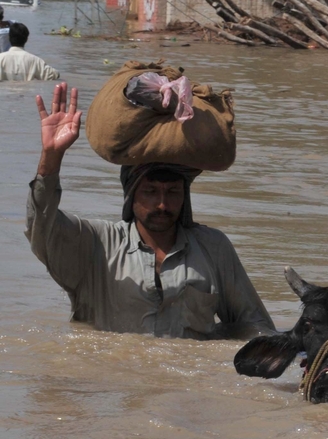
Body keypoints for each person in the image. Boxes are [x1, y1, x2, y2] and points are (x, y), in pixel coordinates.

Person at [25, 82, 276, 340]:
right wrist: (50, 158)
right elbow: (42, 229)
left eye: (172, 192)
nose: (162, 205)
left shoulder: (213, 249)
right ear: (131, 194)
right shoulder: (96, 244)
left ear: (185, 195)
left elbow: (255, 326)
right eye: (151, 191)